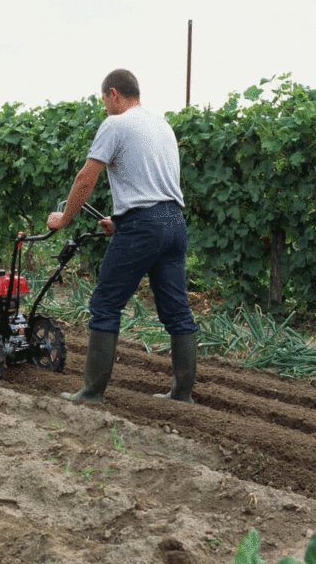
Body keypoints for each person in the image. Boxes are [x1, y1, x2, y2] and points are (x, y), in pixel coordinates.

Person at [47, 69, 198, 404]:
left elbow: (86, 177)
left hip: (142, 226)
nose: (104, 108)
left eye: (104, 100)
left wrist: (63, 218)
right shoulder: (162, 126)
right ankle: (182, 394)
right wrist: (120, 218)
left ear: (113, 93)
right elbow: (151, 183)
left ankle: (91, 392)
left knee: (105, 304)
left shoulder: (115, 124)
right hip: (173, 222)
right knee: (177, 310)